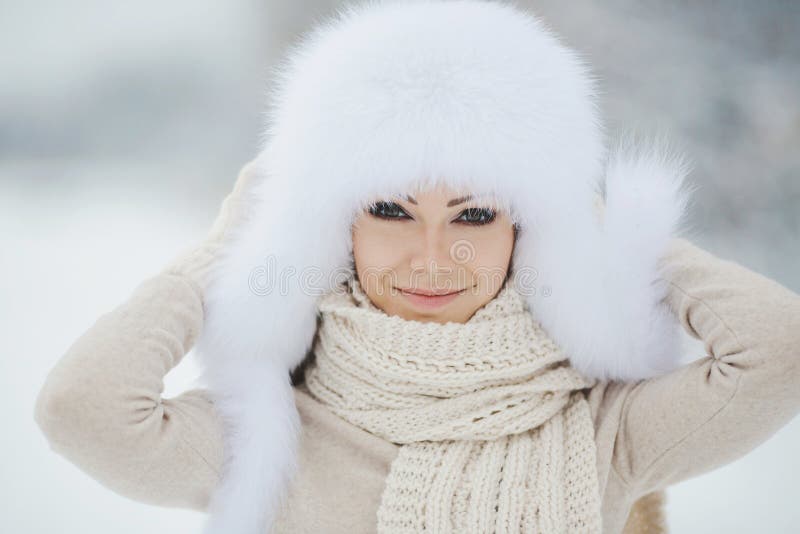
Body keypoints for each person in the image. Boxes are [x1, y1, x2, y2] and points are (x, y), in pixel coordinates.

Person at [33, 1, 800, 533]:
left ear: (529, 235)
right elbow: (80, 408)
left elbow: (778, 348)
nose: (433, 256)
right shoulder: (269, 439)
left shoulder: (605, 432)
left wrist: (590, 222)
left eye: (475, 214)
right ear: (334, 230)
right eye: (392, 211)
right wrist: (231, 248)